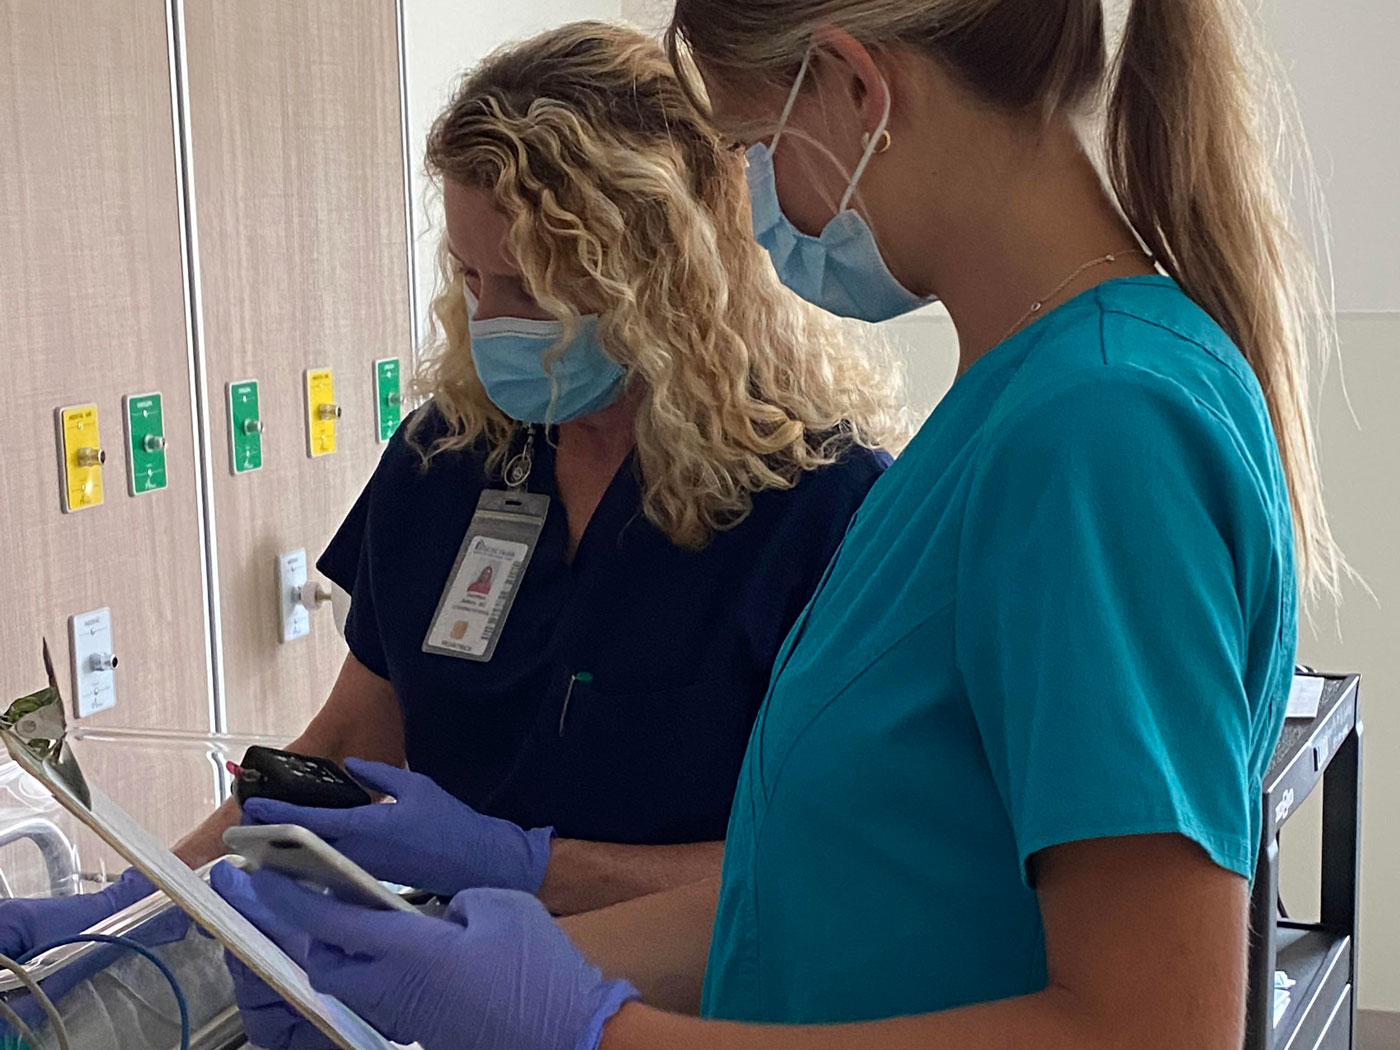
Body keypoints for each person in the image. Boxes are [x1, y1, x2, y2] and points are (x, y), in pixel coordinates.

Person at [214, 0, 1348, 1049]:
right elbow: (816, 905)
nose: (755, 214)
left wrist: (594, 1028)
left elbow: (1145, 1031)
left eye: (750, 147)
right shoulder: (1013, 409)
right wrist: (435, 962)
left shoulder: (1096, 430)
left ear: (855, 88)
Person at [0, 19, 903, 1048]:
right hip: (421, 1007)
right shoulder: (450, 459)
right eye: (474, 282)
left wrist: (522, 865)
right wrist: (136, 912)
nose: (493, 322)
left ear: (671, 271)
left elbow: (832, 881)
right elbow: (340, 752)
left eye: (533, 291)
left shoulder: (823, 508)